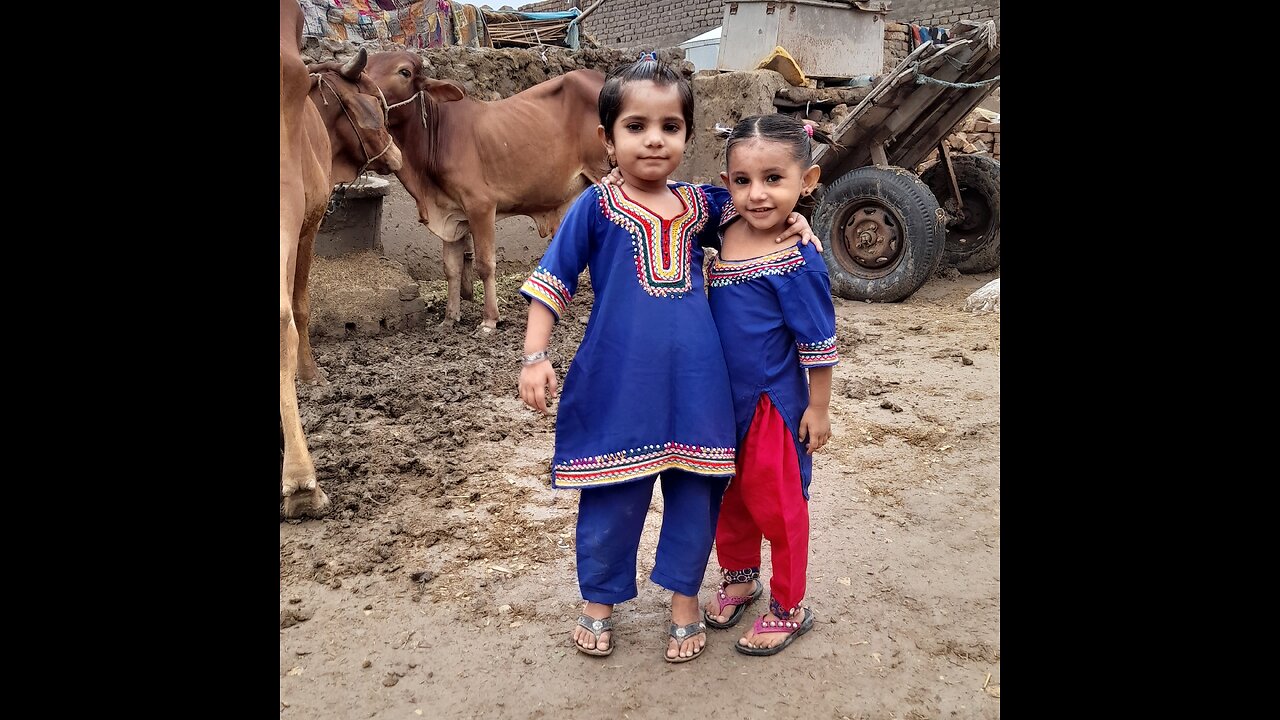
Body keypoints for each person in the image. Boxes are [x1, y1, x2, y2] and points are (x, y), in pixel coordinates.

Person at [516, 54, 817, 664]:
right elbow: (553, 281)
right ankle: (599, 601)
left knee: (695, 494)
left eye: (670, 127)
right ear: (607, 138)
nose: (654, 140)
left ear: (687, 135)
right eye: (635, 126)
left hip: (698, 388)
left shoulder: (702, 205)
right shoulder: (595, 208)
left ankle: (684, 599)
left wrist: (800, 224)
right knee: (610, 492)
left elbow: (763, 205)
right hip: (619, 381)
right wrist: (535, 356)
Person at [699, 113, 840, 656]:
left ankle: (789, 603)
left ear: (807, 181)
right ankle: (739, 577)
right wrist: (616, 177)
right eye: (742, 180)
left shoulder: (796, 258)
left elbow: (818, 340)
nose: (757, 195)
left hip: (770, 406)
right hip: (718, 401)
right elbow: (665, 197)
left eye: (774, 180)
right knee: (728, 496)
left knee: (776, 503)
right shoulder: (722, 231)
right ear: (726, 181)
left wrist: (819, 408)